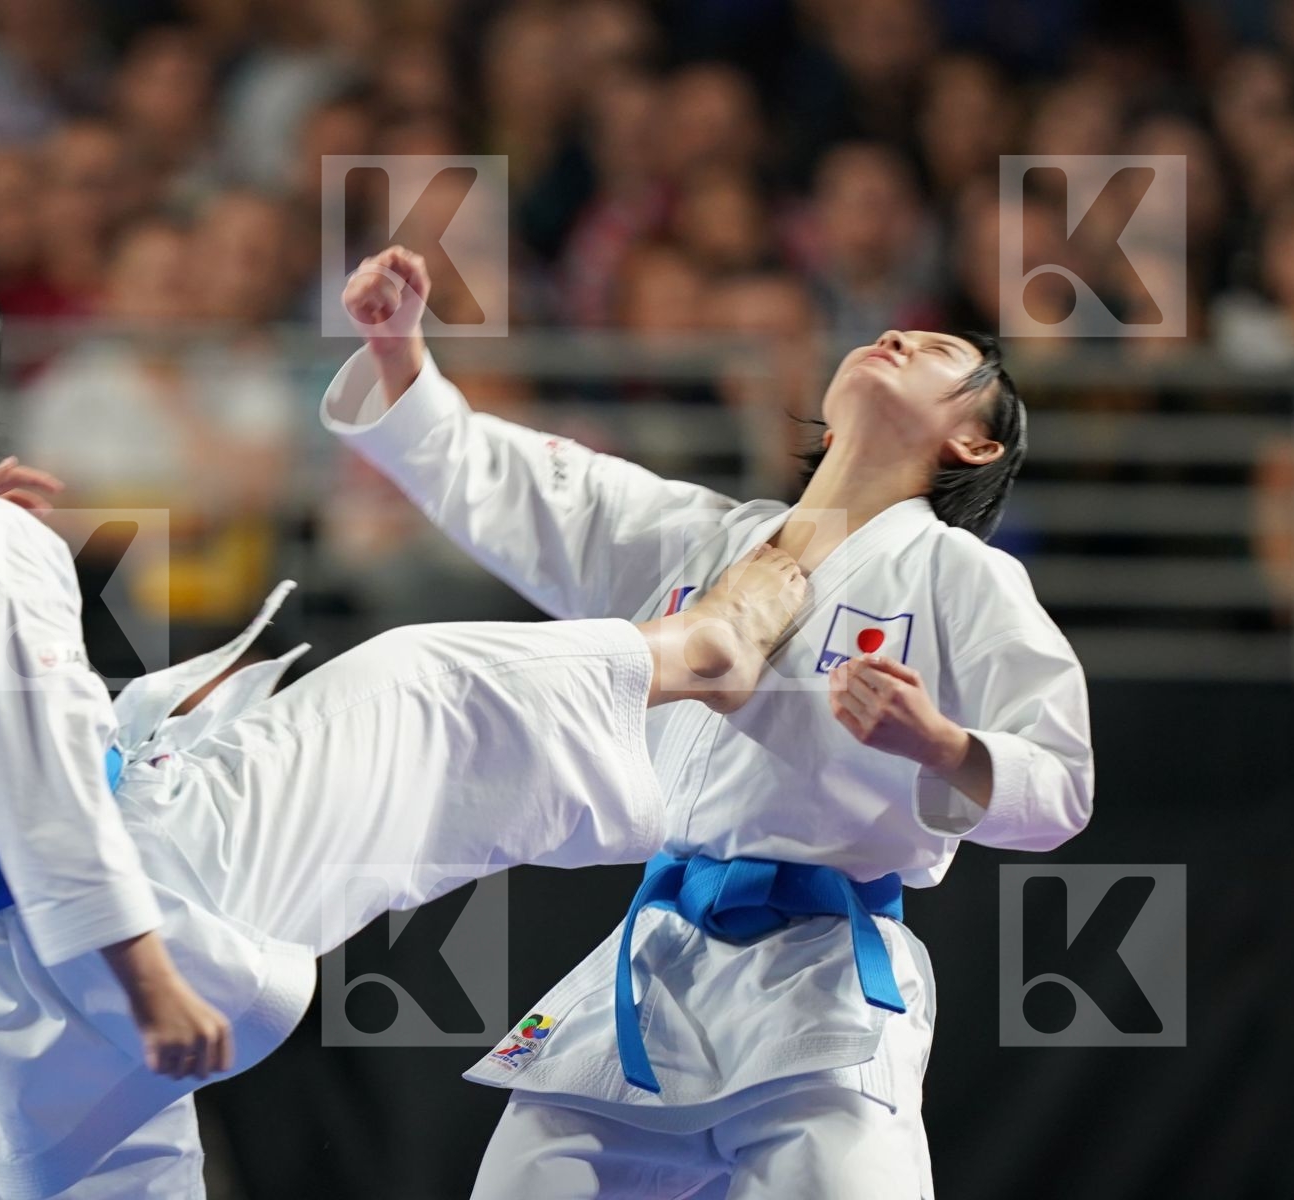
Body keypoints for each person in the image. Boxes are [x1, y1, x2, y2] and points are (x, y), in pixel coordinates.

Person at [0, 243, 811, 1199]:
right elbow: (41, 792)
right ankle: (698, 650)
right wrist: (146, 978)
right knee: (422, 689)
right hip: (144, 894)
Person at [325, 247, 1095, 1199]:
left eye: (937, 348)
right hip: (655, 963)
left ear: (974, 444)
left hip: (820, 983)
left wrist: (936, 741)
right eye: (893, 331)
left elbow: (1061, 788)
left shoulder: (960, 574)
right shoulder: (705, 538)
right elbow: (541, 490)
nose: (895, 335)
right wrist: (402, 360)